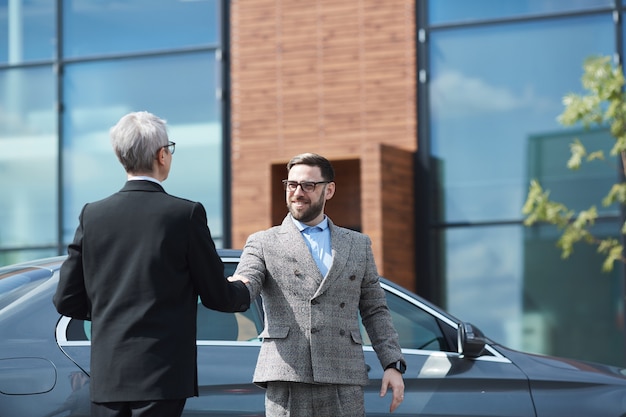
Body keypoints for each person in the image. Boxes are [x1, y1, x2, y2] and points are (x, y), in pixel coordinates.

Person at [53, 111, 250, 417]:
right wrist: (245, 288)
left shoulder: (93, 214)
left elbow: (66, 298)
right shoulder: (184, 214)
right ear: (162, 155)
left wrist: (109, 312)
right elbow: (217, 296)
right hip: (162, 375)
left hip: (107, 376)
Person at [231, 152, 406, 416]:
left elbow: (374, 309)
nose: (298, 192)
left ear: (329, 190)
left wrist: (392, 363)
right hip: (288, 374)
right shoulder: (263, 241)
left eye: (308, 185)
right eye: (292, 185)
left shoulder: (357, 244)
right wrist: (235, 286)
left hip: (343, 375)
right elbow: (247, 280)